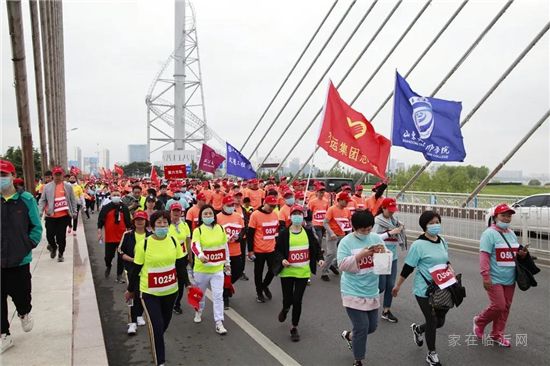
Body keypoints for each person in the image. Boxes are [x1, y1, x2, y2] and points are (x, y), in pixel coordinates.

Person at [392, 211, 454, 366]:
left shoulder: (442, 241)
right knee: (432, 320)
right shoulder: (418, 245)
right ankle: (432, 354)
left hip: (442, 288)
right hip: (424, 290)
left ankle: (418, 330)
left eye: (437, 222)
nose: (435, 225)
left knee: (440, 322)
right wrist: (398, 286)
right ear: (424, 226)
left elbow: (445, 261)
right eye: (431, 223)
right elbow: (408, 267)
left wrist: (450, 269)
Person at [125, 211, 186, 366]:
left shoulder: (173, 241)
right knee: (157, 329)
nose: (162, 225)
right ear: (152, 226)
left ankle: (155, 336)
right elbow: (136, 269)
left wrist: (189, 285)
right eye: (159, 223)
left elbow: (180, 266)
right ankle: (160, 362)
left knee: (163, 325)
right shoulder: (144, 244)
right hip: (150, 293)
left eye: (165, 222)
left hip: (171, 292)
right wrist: (131, 290)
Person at [1, 160, 43, 353]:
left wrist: (28, 245)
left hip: (19, 259)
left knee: (21, 296)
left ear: (11, 176)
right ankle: (4, 334)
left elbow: (36, 227)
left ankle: (24, 312)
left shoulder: (25, 199)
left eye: (3, 175)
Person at [473, 203, 528, 347]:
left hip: (510, 278)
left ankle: (497, 334)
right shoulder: (489, 234)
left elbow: (511, 253)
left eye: (509, 215)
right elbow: (484, 256)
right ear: (495, 216)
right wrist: (485, 276)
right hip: (494, 278)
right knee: (498, 305)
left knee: (506, 307)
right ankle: (480, 321)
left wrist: (520, 254)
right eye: (503, 215)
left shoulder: (511, 233)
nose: (506, 218)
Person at [337, 211, 386, 366]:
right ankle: (358, 359)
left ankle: (350, 336)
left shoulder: (376, 239)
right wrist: (360, 255)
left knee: (371, 327)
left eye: (369, 229)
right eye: (362, 230)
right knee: (362, 326)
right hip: (352, 290)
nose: (366, 233)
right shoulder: (346, 242)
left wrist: (382, 254)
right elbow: (342, 265)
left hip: (371, 290)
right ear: (354, 227)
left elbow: (383, 266)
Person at [275, 205, 323, 342]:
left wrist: (320, 258)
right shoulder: (284, 233)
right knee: (288, 298)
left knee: (297, 300)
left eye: (299, 214)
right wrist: (282, 259)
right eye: (294, 214)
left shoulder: (307, 232)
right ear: (291, 217)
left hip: (303, 272)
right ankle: (285, 309)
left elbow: (316, 246)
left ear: (303, 217)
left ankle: (294, 326)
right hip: (287, 272)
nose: (297, 216)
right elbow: (277, 250)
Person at [190, 205, 230, 334]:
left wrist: (227, 263)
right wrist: (201, 255)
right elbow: (194, 245)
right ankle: (198, 311)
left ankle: (219, 322)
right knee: (200, 295)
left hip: (217, 269)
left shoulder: (220, 229)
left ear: (214, 215)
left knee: (218, 296)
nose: (208, 216)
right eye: (205, 214)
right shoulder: (198, 231)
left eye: (210, 213)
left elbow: (225, 246)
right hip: (202, 269)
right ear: (201, 217)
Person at [373, 198, 406, 323]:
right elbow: (374, 237)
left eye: (393, 210)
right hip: (381, 255)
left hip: (393, 256)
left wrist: (400, 229)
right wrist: (390, 233)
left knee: (390, 285)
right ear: (383, 208)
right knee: (380, 286)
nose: (392, 212)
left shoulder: (394, 221)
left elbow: (397, 233)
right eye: (390, 210)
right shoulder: (378, 221)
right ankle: (367, 303)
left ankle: (386, 310)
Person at [118, 210, 151, 335]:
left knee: (142, 293)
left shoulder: (150, 235)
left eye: (142, 220)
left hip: (145, 270)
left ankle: (139, 315)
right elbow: (120, 251)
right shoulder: (128, 235)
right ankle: (131, 322)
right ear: (134, 221)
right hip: (131, 269)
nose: (139, 222)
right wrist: (133, 259)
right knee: (132, 293)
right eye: (137, 220)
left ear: (145, 221)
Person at [38, 166, 78, 262]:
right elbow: (42, 200)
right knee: (49, 236)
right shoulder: (47, 187)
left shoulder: (68, 187)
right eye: (56, 174)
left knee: (61, 237)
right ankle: (53, 247)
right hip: (50, 216)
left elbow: (73, 200)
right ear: (53, 175)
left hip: (63, 216)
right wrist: (40, 211)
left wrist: (74, 211)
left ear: (63, 175)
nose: (58, 177)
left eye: (59, 174)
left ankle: (61, 253)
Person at [247, 195, 280, 303]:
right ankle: (259, 293)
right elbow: (250, 234)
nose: (272, 208)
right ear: (265, 203)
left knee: (273, 270)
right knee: (258, 272)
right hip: (258, 250)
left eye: (274, 206)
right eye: (270, 206)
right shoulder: (255, 215)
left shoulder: (275, 214)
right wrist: (250, 250)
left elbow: (276, 232)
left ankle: (264, 285)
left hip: (271, 249)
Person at [216, 196, 245, 308]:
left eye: (232, 205)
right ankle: (225, 295)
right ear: (223, 205)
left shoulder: (238, 216)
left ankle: (225, 287)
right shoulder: (218, 217)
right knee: (225, 274)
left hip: (236, 250)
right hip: (223, 252)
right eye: (228, 205)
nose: (231, 207)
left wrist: (238, 238)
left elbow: (243, 229)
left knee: (238, 271)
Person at [98, 188, 132, 282]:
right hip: (110, 237)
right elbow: (100, 221)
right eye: (114, 195)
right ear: (111, 196)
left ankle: (119, 276)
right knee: (108, 257)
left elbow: (128, 222)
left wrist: (129, 234)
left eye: (118, 195)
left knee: (121, 257)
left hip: (122, 237)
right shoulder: (106, 207)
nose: (116, 197)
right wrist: (99, 232)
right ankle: (108, 265)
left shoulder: (124, 208)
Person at [321, 192, 352, 281]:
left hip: (342, 235)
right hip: (332, 236)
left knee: (343, 254)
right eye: (346, 201)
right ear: (340, 200)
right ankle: (324, 272)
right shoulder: (332, 209)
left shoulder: (347, 210)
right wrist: (331, 233)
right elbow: (325, 223)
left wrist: (349, 234)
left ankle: (332, 265)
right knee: (332, 253)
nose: (347, 203)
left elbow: (348, 223)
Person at [168, 203, 191, 315]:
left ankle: (177, 304)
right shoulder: (165, 225)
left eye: (178, 211)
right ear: (170, 212)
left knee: (181, 281)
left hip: (182, 256)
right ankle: (168, 302)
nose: (176, 213)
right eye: (174, 211)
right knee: (170, 281)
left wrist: (190, 256)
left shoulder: (184, 225)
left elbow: (187, 241)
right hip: (169, 258)